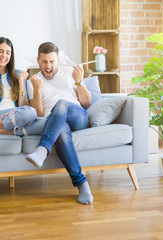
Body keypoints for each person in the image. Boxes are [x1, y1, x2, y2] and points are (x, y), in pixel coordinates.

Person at [25, 42, 93, 205]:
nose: (48, 66)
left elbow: (87, 103)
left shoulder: (69, 73)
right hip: (55, 122)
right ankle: (82, 184)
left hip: (77, 116)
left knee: (62, 103)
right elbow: (39, 114)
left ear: (58, 60)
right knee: (61, 130)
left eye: (52, 61)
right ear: (38, 61)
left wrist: (80, 82)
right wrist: (37, 90)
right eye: (44, 62)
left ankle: (42, 149)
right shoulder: (32, 82)